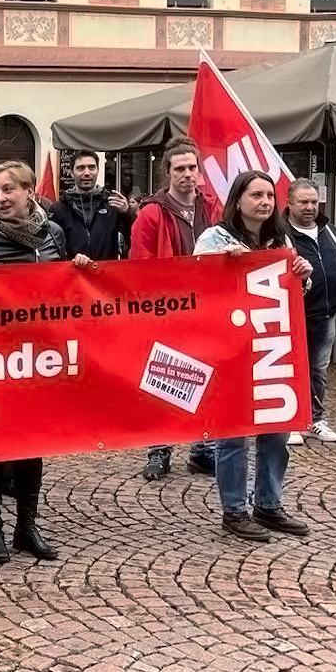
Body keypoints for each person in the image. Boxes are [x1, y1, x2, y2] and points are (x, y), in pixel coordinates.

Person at [0, 160, 90, 563]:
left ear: (30, 191)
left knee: (33, 443)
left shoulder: (52, 234)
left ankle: (26, 528)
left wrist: (78, 271)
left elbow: (63, 289)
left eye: (8, 190)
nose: (0, 198)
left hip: (40, 359)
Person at [194, 171, 315, 542]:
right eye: (256, 195)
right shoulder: (213, 238)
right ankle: (234, 510)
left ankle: (268, 504)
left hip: (271, 348)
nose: (265, 202)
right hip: (231, 351)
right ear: (238, 199)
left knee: (276, 430)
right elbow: (194, 287)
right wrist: (222, 265)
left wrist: (303, 276)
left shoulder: (280, 240)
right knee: (233, 434)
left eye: (269, 196)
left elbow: (292, 296)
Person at [129, 136, 221, 480]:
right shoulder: (151, 214)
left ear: (199, 171)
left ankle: (202, 449)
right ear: (167, 172)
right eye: (179, 168)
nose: (187, 174)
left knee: (207, 377)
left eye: (192, 168)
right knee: (164, 379)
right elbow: (139, 266)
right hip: (167, 310)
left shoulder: (213, 208)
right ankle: (159, 449)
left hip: (208, 309)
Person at [283, 178, 336, 445]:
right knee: (292, 368)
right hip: (293, 316)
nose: (310, 207)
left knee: (318, 370)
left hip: (326, 313)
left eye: (313, 202)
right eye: (303, 202)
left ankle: (315, 419)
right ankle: (291, 422)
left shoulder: (328, 230)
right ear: (289, 203)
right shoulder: (280, 234)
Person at [49, 150, 133, 261]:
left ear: (98, 170)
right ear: (71, 172)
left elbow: (133, 240)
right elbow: (52, 249)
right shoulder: (58, 209)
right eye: (80, 168)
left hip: (105, 274)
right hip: (71, 274)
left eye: (92, 167)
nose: (87, 173)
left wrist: (127, 215)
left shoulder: (112, 204)